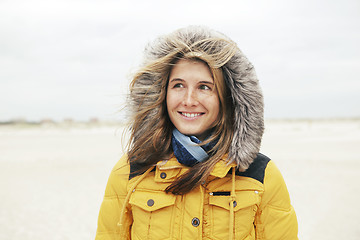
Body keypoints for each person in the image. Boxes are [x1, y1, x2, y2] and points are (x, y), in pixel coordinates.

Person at [95, 26, 298, 240]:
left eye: (204, 87)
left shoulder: (260, 175)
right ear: (162, 93)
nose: (189, 100)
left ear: (225, 99)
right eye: (178, 85)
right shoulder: (130, 171)